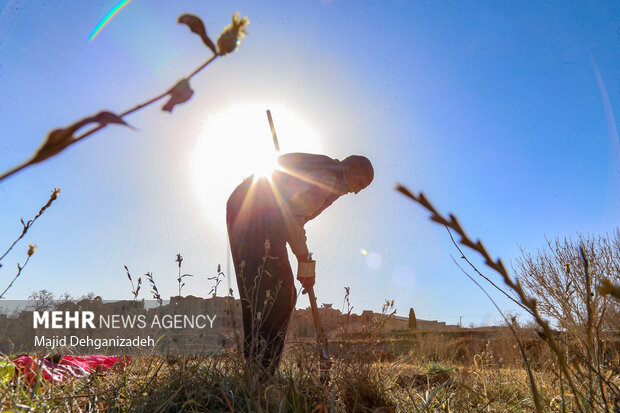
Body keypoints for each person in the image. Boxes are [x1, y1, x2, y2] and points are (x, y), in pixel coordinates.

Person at [226, 152, 374, 375]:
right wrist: (304, 259)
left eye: (361, 190)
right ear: (351, 166)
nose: (356, 191)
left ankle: (255, 370)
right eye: (359, 183)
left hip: (246, 206)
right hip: (257, 212)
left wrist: (304, 262)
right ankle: (262, 370)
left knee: (258, 289)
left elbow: (285, 167)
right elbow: (292, 217)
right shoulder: (330, 178)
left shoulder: (324, 168)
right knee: (280, 294)